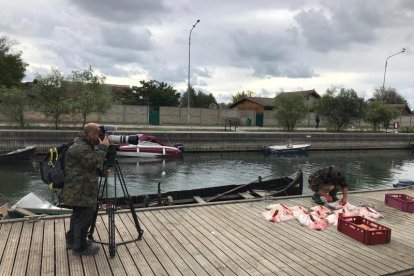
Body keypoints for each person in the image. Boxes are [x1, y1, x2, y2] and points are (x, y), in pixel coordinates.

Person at [60, 123, 109, 256]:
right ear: (91, 134)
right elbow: (92, 162)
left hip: (79, 189)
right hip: (80, 191)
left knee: (78, 215)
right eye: (98, 135)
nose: (100, 137)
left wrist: (101, 172)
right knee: (85, 215)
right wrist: (104, 147)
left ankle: (72, 241)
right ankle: (80, 247)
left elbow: (86, 167)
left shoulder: (84, 145)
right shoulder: (80, 148)